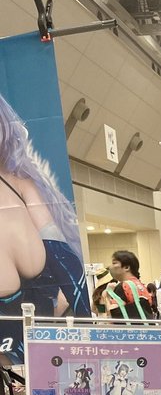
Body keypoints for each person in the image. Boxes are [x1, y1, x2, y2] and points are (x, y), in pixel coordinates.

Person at [0, 90, 90, 364]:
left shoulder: (20, 183)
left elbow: (64, 259)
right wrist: (83, 323)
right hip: (39, 325)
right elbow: (65, 260)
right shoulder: (20, 183)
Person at [106, 250, 155, 320]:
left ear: (126, 267)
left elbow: (113, 315)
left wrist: (107, 296)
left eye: (114, 263)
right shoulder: (141, 286)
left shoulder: (123, 287)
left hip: (130, 326)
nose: (110, 267)